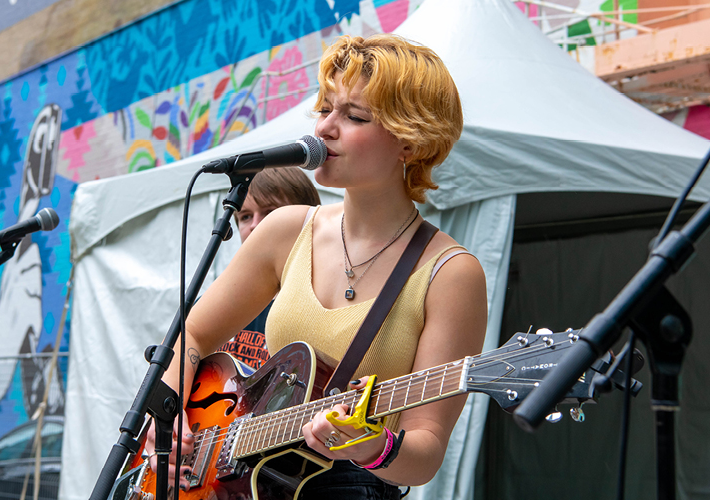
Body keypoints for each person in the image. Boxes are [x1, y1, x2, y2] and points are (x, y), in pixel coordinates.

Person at [149, 33, 487, 499]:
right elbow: (193, 335)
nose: (324, 128)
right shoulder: (287, 230)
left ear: (410, 142)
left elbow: (426, 449)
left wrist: (371, 445)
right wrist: (167, 422)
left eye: (353, 116)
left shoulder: (450, 273)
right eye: (325, 108)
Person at [216, 167, 321, 370]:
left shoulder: (324, 304)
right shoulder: (214, 305)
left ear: (308, 220)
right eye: (245, 216)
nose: (255, 225)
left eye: (270, 213)